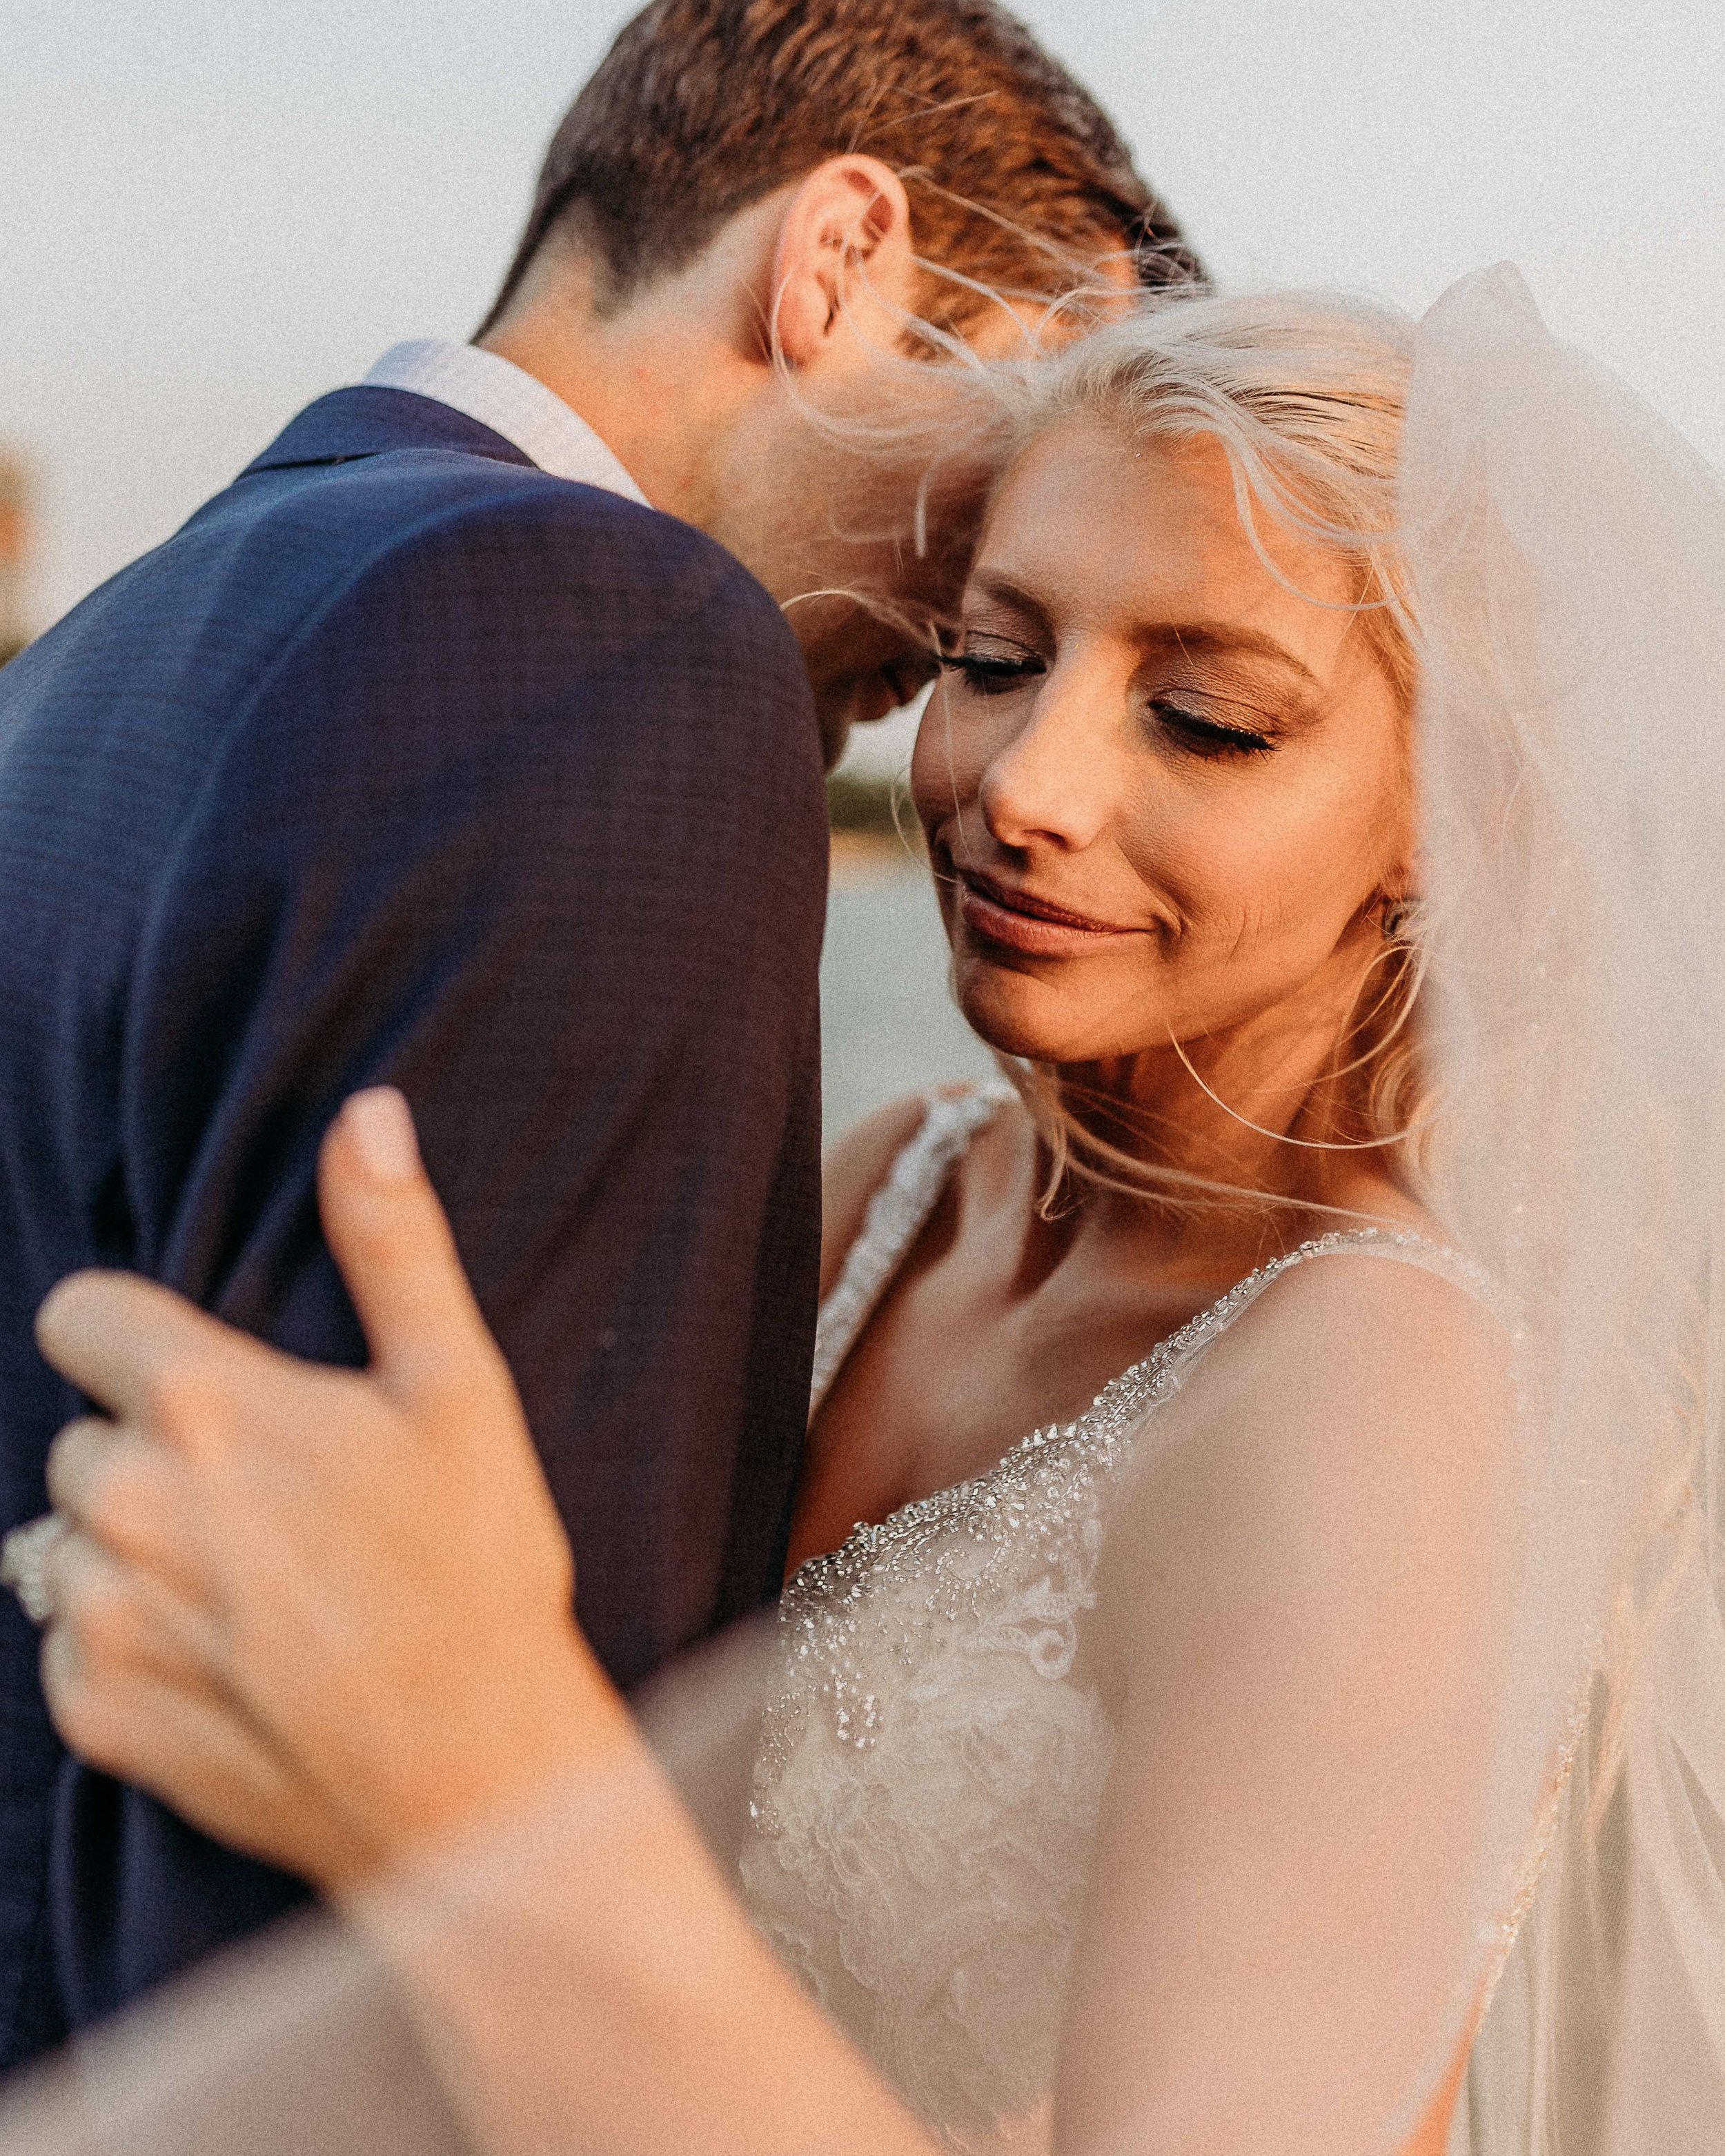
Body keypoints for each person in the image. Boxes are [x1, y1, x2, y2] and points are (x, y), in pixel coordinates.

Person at [12, 270, 1725, 2155]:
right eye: (995, 661)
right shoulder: (882, 1192)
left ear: (1442, 821)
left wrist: (484, 1788)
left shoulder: (1375, 1403)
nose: (1023, 788)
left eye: (1208, 721)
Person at [0, 0, 1198, 2066]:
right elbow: (387, 1834)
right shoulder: (622, 638)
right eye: (1008, 456)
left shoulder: (119, 644)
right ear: (835, 263)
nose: (966, 628)